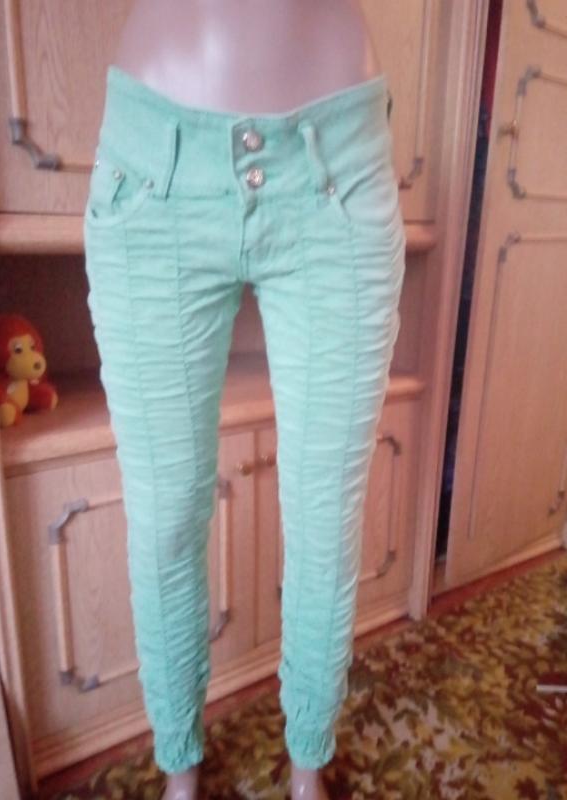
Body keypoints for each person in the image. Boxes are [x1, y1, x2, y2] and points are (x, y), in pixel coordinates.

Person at [84, 2, 405, 798]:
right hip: (153, 169)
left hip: (337, 166)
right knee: (165, 518)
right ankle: (179, 765)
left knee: (326, 520)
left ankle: (308, 764)